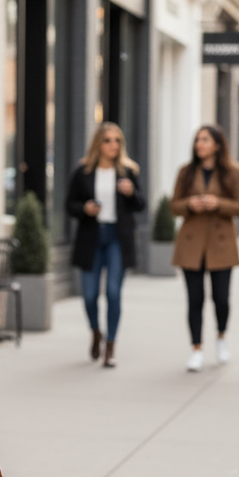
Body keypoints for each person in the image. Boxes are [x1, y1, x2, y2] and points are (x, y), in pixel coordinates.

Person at [65, 123, 145, 367]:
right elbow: (69, 204)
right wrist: (85, 208)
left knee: (113, 292)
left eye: (117, 140)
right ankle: (95, 332)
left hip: (117, 238)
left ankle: (110, 346)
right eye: (108, 140)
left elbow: (141, 205)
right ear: (98, 144)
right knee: (89, 295)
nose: (113, 145)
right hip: (91, 237)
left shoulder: (128, 171)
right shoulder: (83, 171)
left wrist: (131, 192)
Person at [170, 126, 239, 372]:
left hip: (221, 243)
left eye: (205, 140)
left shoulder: (234, 171)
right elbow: (173, 206)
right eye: (197, 140)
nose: (199, 144)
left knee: (221, 298)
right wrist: (190, 204)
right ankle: (196, 349)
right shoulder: (186, 171)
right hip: (191, 242)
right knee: (195, 299)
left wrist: (218, 203)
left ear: (217, 145)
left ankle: (221, 336)